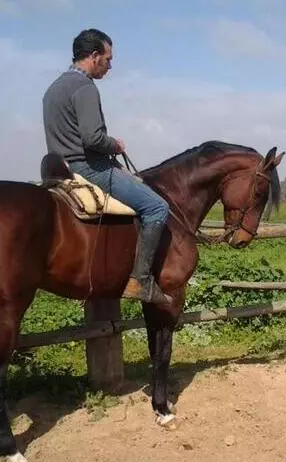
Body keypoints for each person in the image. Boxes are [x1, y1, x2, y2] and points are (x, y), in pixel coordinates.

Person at [42, 28, 170, 305]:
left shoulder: (53, 88)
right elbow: (92, 138)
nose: (110, 66)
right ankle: (142, 280)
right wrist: (116, 145)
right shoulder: (85, 87)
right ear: (94, 56)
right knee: (157, 207)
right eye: (108, 59)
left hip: (60, 169)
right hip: (89, 169)